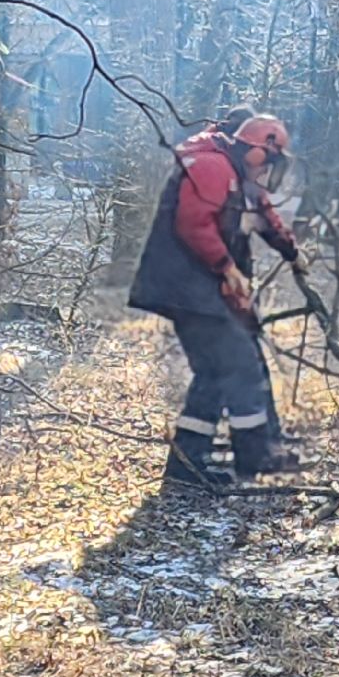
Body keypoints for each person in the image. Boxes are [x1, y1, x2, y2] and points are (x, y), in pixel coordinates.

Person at [128, 113, 310, 493]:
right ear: (257, 148)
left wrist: (292, 252)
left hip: (200, 289)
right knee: (239, 365)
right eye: (270, 159)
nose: (270, 169)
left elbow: (264, 214)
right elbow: (193, 224)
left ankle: (187, 466)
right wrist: (227, 268)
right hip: (186, 287)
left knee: (214, 372)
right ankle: (252, 457)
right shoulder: (212, 166)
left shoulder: (237, 172)